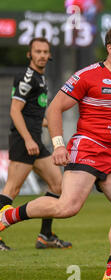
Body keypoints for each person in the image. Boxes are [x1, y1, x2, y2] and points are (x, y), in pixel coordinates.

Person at [0, 26, 111, 280]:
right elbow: (54, 109)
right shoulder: (88, 76)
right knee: (67, 207)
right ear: (110, 49)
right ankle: (8, 215)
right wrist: (59, 144)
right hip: (87, 146)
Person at [0, 37, 71, 251]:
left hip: (35, 140)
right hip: (24, 140)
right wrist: (29, 139)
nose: (41, 55)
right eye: (37, 51)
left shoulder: (40, 78)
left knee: (58, 185)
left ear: (49, 55)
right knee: (12, 188)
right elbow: (15, 111)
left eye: (45, 51)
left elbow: (32, 114)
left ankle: (45, 235)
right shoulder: (27, 77)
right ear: (29, 54)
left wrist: (50, 124)